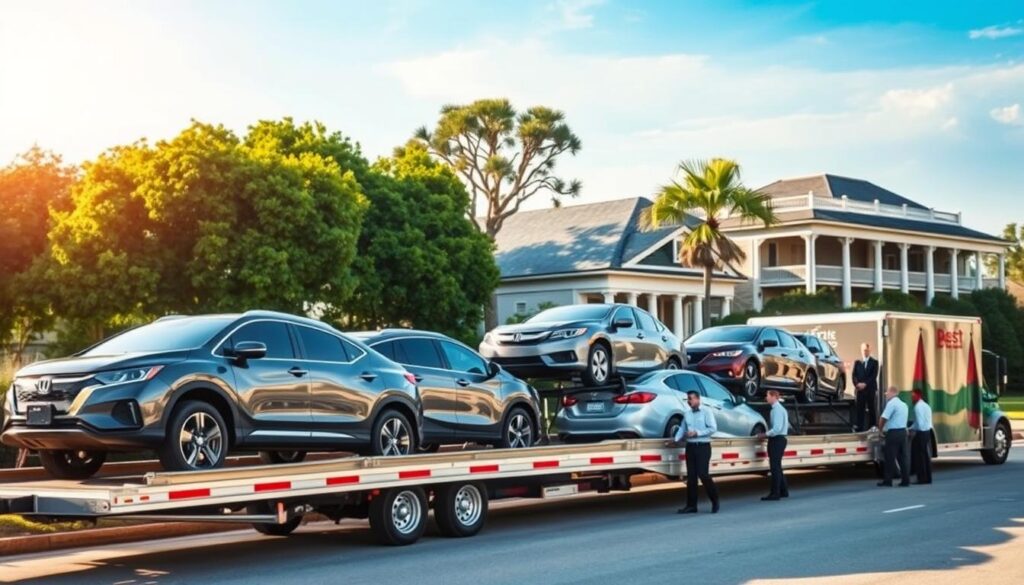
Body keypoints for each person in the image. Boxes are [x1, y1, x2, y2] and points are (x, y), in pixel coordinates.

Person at [669, 390, 720, 514]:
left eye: (691, 399)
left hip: (703, 446)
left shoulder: (706, 411)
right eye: (688, 399)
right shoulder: (687, 414)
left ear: (698, 399)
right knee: (691, 477)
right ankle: (691, 506)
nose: (689, 401)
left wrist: (697, 433)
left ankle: (715, 500)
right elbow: (682, 429)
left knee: (703, 474)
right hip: (690, 447)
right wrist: (675, 440)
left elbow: (713, 428)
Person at [757, 389, 789, 501]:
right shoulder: (779, 409)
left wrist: (765, 434)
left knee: (774, 467)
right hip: (779, 439)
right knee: (777, 466)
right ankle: (783, 490)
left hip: (777, 439)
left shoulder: (777, 410)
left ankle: (775, 493)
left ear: (774, 396)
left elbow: (777, 429)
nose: (766, 398)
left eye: (768, 395)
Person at [878, 385, 910, 487]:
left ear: (892, 393)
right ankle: (906, 480)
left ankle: (888, 480)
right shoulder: (904, 405)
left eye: (887, 393)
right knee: (903, 458)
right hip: (903, 432)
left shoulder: (891, 404)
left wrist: (880, 430)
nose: (886, 395)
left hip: (893, 433)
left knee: (890, 457)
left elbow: (883, 418)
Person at [852, 342, 879, 432]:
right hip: (860, 390)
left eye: (867, 350)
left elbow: (873, 376)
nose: (865, 352)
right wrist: (857, 384)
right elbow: (854, 375)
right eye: (863, 350)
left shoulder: (874, 362)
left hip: (870, 389)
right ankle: (859, 427)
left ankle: (872, 427)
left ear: (869, 350)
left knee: (872, 408)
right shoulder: (857, 362)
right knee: (860, 409)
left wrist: (865, 384)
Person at [910, 389, 934, 485]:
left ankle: (921, 478)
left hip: (920, 433)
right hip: (927, 432)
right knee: (925, 456)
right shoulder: (927, 406)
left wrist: (912, 431)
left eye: (913, 396)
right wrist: (911, 427)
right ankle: (928, 477)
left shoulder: (917, 407)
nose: (911, 398)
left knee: (919, 457)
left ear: (918, 396)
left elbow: (919, 423)